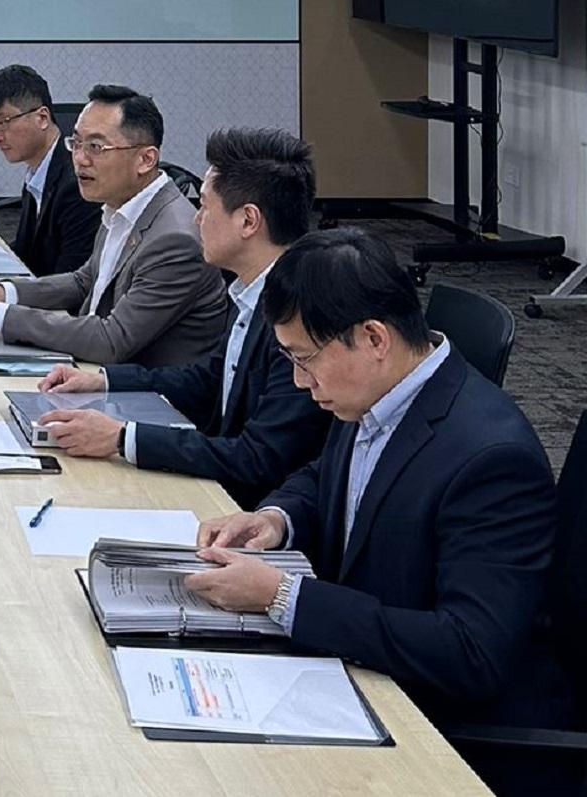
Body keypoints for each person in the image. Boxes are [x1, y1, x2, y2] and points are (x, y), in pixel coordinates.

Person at [186, 228, 569, 754]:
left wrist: (284, 596)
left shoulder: (492, 461)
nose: (300, 382)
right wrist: (276, 517)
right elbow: (330, 475)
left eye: (305, 359)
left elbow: (471, 652)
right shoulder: (375, 389)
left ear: (373, 338)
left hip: (437, 728)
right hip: (360, 671)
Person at [34, 127, 330, 508]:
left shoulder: (299, 319)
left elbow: (260, 458)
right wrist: (102, 380)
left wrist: (123, 438)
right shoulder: (252, 291)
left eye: (205, 207)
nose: (194, 221)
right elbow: (209, 379)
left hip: (252, 510)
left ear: (248, 221)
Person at [0, 84, 226, 366]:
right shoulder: (122, 203)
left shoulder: (175, 240)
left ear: (145, 159)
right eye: (76, 143)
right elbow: (84, 281)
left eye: (97, 147)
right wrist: (2, 292)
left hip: (149, 398)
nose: (80, 159)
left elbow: (112, 340)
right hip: (93, 371)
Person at [0, 64, 98, 276]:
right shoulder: (38, 170)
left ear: (41, 118)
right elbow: (28, 252)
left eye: (3, 122)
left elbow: (69, 284)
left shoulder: (76, 184)